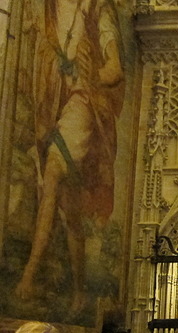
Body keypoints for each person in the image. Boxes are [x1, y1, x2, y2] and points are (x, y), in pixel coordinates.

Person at [15, 0, 125, 316]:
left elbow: (114, 70)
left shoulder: (97, 9)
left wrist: (90, 78)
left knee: (51, 175)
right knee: (69, 206)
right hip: (56, 106)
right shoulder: (48, 10)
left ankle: (28, 274)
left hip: (82, 105)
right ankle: (79, 292)